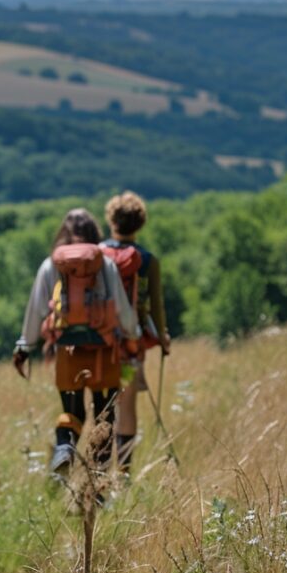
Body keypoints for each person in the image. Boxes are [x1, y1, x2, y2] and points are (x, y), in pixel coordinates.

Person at [13, 208, 139, 476]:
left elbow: (36, 309)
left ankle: (64, 449)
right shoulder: (104, 264)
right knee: (105, 419)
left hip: (68, 353)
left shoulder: (51, 265)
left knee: (73, 413)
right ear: (95, 233)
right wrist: (132, 336)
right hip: (105, 354)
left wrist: (24, 346)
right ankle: (99, 486)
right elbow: (122, 311)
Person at [102, 191, 171, 473]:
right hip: (131, 345)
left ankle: (99, 467)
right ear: (140, 223)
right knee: (127, 404)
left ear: (111, 220)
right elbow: (156, 306)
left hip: (99, 342)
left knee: (102, 403)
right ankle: (124, 472)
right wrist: (163, 337)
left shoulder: (97, 253)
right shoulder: (147, 260)